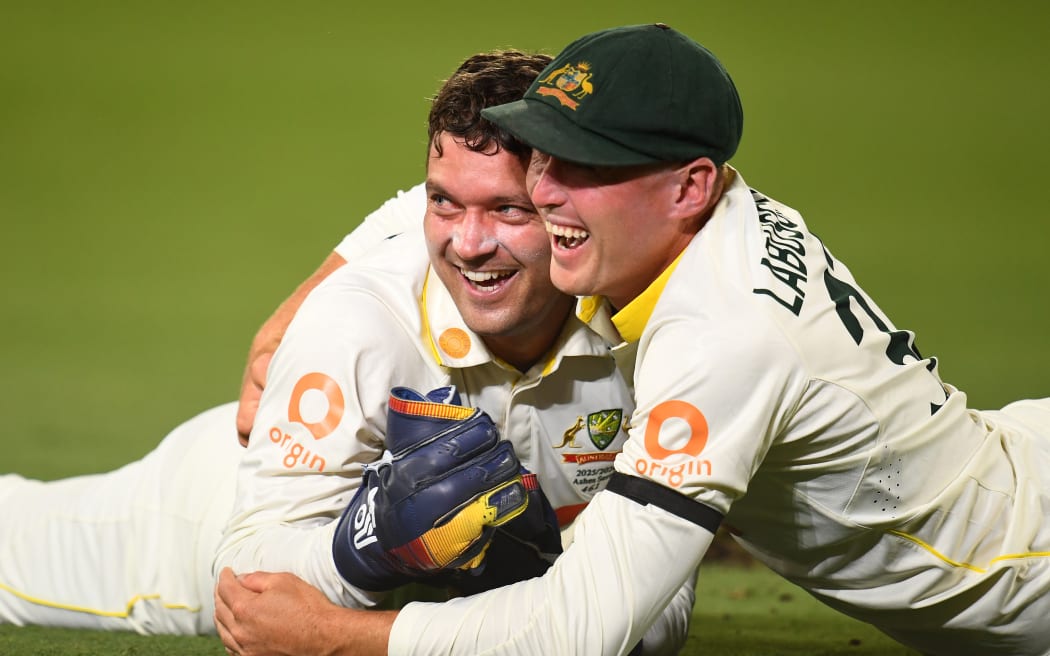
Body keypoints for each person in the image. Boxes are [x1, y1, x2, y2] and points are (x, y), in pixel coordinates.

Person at [217, 23, 1050, 656]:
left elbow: (582, 629)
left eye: (585, 165)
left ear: (688, 187)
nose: (545, 194)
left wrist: (341, 634)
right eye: (543, 159)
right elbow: (475, 195)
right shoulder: (714, 206)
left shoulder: (723, 336)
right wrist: (317, 284)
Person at [1, 49, 696, 651]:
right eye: (444, 204)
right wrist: (365, 547)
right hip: (198, 519)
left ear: (563, 205)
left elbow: (658, 620)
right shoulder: (360, 324)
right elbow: (246, 577)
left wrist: (531, 570)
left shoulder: (640, 331)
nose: (469, 243)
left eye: (508, 210)